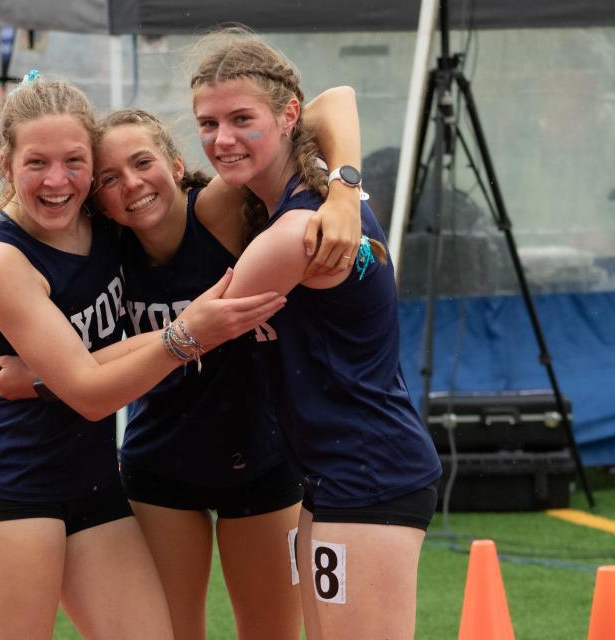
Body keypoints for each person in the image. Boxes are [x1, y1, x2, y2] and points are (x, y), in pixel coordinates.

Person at [0, 93, 368, 639]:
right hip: (160, 466)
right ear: (99, 198)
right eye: (110, 178)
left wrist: (345, 191)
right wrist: (43, 379)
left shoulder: (220, 209)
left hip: (262, 460)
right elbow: (81, 360)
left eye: (143, 163)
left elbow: (330, 104)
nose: (133, 185)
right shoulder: (105, 245)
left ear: (177, 165)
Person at [190, 32, 443, 639]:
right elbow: (335, 98)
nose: (221, 139)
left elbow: (187, 338)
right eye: (207, 122)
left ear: (287, 116)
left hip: (368, 476)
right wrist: (348, 183)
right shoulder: (322, 197)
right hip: (337, 477)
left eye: (241, 119)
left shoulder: (295, 233)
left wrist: (48, 371)